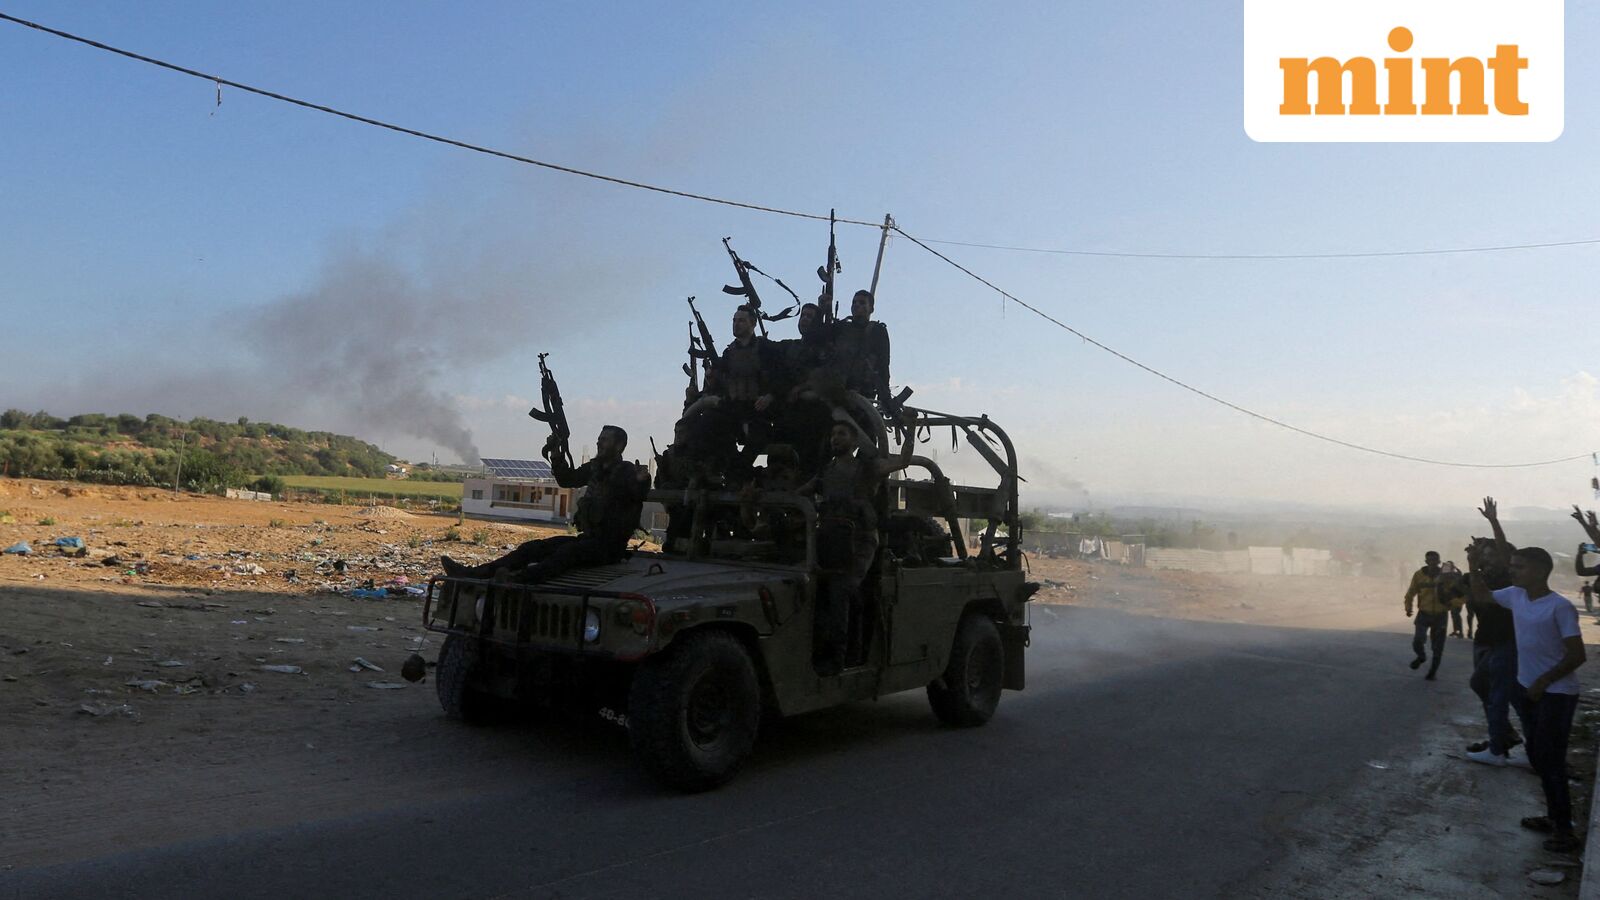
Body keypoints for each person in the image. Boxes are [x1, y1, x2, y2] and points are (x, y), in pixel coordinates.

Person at [1467, 526, 1587, 853]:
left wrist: (1543, 682)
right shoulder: (1516, 596)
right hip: (1529, 690)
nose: (1512, 571)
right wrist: (1474, 565)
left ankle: (1565, 831)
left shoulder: (1559, 607)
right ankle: (1554, 816)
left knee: (1550, 759)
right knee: (1537, 756)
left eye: (1519, 567)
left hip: (1556, 694)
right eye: (1512, 566)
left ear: (1540, 571)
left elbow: (1577, 655)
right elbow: (1481, 595)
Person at [441, 425, 649, 582]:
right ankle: (475, 573)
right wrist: (556, 454)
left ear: (619, 446)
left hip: (610, 548)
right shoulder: (595, 468)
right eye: (599, 439)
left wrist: (643, 481)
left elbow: (637, 494)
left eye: (604, 440)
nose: (599, 444)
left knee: (565, 554)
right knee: (533, 548)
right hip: (589, 540)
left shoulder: (626, 471)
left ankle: (519, 580)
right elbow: (567, 479)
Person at [799, 417, 916, 674]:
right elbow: (799, 493)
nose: (835, 438)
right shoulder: (826, 471)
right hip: (831, 540)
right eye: (833, 434)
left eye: (842, 434)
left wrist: (910, 428)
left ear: (854, 441)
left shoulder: (867, 469)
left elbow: (903, 461)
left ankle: (839, 659)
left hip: (860, 541)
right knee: (820, 592)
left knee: (842, 589)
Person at [1462, 534, 1522, 765]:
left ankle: (1501, 744)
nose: (1487, 559)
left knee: (1495, 691)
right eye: (1484, 555)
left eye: (1491, 554)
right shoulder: (1478, 577)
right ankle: (1503, 738)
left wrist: (1494, 523)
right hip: (1484, 640)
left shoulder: (1510, 579)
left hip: (1505, 641)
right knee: (1489, 692)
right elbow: (1449, 594)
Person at [830, 290, 893, 411]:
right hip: (837, 390)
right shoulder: (840, 328)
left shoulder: (877, 331)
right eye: (854, 302)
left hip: (863, 393)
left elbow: (883, 364)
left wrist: (885, 396)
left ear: (871, 309)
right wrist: (824, 307)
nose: (856, 305)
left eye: (862, 303)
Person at [1403, 550, 1459, 680]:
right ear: (1426, 562)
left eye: (1435, 560)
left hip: (1441, 615)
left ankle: (1432, 672)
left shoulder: (1446, 575)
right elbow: (1411, 592)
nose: (1433, 563)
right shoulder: (1419, 575)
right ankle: (1421, 656)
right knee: (1418, 641)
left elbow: (1457, 592)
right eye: (1430, 560)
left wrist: (1453, 603)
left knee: (1438, 647)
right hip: (1424, 613)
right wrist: (1408, 607)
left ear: (1439, 561)